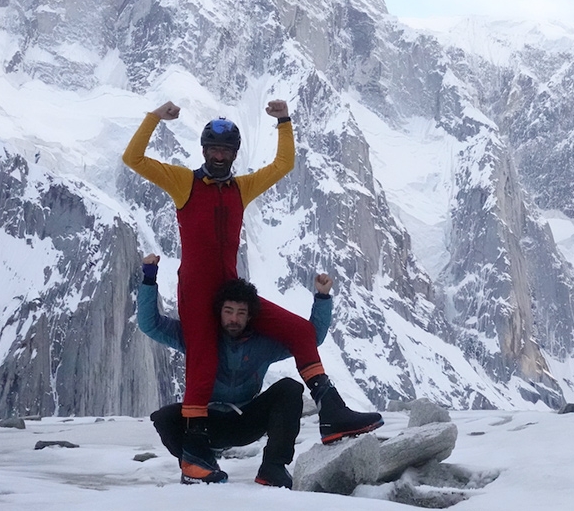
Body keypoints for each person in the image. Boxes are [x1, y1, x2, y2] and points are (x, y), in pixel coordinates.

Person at [123, 100, 382, 484]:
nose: (218, 157)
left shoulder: (241, 189)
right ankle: (195, 455)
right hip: (196, 293)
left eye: (225, 151)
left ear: (234, 155)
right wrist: (153, 119)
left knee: (298, 331)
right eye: (213, 150)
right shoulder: (184, 182)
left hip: (233, 294)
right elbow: (134, 159)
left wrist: (284, 121)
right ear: (203, 150)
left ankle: (331, 410)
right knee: (203, 359)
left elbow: (283, 166)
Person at [138, 254, 334, 487]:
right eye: (228, 311)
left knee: (290, 389)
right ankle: (201, 464)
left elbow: (309, 339)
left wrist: (322, 298)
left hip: (246, 421)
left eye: (241, 313)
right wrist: (149, 280)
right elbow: (150, 324)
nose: (234, 319)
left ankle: (273, 467)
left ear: (250, 316)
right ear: (218, 312)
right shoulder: (197, 338)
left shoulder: (264, 343)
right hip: (203, 423)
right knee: (164, 418)